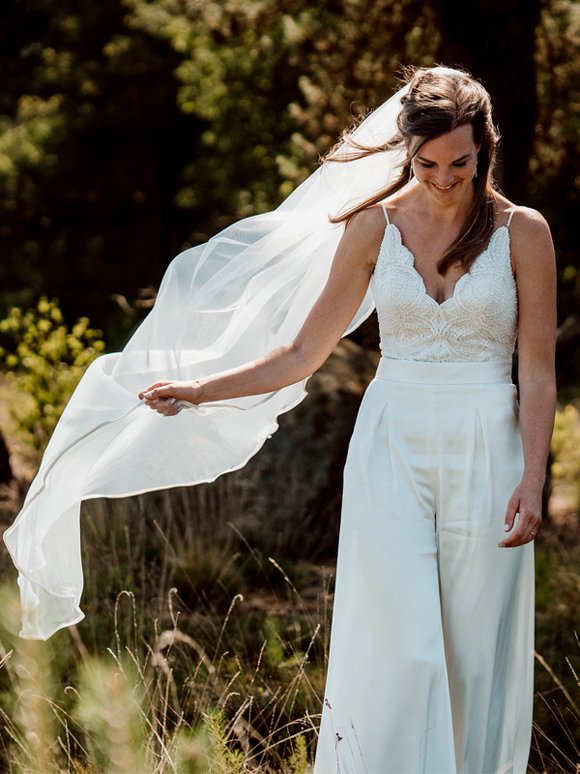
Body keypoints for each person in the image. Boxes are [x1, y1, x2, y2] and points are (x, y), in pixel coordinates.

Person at [4, 66, 555, 772]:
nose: (444, 180)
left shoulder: (523, 233)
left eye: (461, 164)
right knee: (401, 645)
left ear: (486, 149)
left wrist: (533, 479)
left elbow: (537, 372)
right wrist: (202, 389)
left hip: (491, 446)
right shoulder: (372, 227)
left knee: (474, 650)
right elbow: (300, 351)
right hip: (393, 448)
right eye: (427, 165)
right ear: (405, 154)